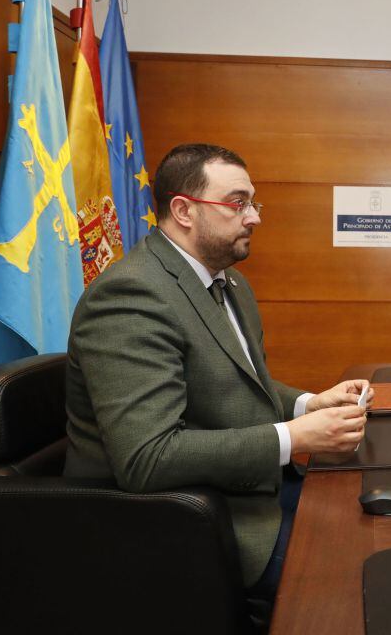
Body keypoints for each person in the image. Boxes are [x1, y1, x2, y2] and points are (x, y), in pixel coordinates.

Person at [63, 143, 371, 604]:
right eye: (237, 203)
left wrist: (309, 403)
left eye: (253, 203)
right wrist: (296, 437)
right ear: (183, 211)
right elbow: (148, 458)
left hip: (256, 491)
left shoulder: (229, 281)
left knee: (376, 529)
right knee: (362, 577)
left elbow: (231, 383)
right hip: (192, 524)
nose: (254, 217)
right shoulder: (130, 295)